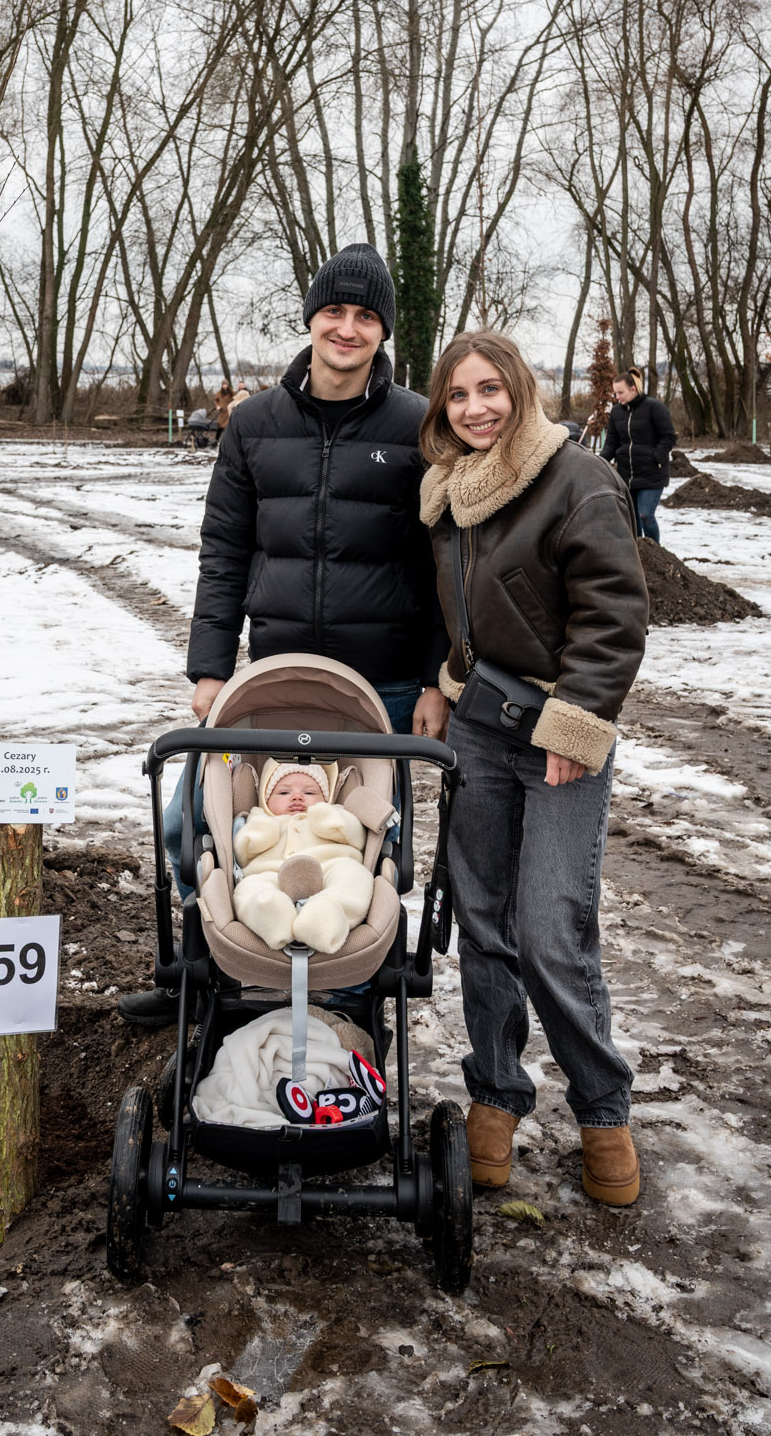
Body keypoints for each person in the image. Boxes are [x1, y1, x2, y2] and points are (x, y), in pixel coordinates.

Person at [119, 241, 448, 1025]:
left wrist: (435, 678)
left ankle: (351, 999)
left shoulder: (414, 427)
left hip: (383, 685)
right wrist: (210, 667)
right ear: (310, 319)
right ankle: (210, 968)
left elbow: (442, 561)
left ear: (383, 331)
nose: (346, 328)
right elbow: (224, 550)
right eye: (333, 311)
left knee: (363, 842)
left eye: (364, 316)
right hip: (275, 678)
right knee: (199, 825)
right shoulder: (254, 423)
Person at [418, 329, 648, 1207]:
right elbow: (456, 611)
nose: (475, 408)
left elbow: (613, 617)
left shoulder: (576, 479)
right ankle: (495, 1097)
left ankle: (601, 1110)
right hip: (478, 729)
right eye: (457, 394)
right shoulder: (446, 491)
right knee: (483, 924)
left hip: (558, 735)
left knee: (551, 930)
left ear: (520, 390)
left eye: (490, 389)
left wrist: (574, 723)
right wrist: (442, 680)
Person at [232, 760, 373, 955]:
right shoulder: (260, 818)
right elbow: (242, 853)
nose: (297, 797)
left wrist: (326, 816)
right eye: (284, 793)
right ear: (265, 799)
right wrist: (264, 830)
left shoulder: (335, 812)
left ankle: (325, 917)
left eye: (310, 793)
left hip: (328, 867)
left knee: (354, 875)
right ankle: (271, 914)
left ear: (326, 798)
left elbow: (357, 837)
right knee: (248, 888)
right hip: (271, 873)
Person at [603, 366, 675, 543]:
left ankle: (654, 551)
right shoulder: (616, 412)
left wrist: (656, 457)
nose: (617, 397)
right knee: (632, 521)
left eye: (620, 392)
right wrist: (598, 461)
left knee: (645, 515)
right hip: (626, 475)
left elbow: (668, 437)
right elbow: (611, 443)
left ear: (633, 389)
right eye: (615, 393)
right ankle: (637, 554)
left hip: (652, 474)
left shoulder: (654, 407)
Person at [213, 379, 234, 445]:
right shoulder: (219, 393)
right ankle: (216, 441)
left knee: (228, 427)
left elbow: (235, 399)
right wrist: (218, 406)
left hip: (229, 412)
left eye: (226, 384)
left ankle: (229, 442)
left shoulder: (232, 392)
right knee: (220, 427)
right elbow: (215, 400)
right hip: (222, 412)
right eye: (223, 385)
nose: (224, 386)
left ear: (228, 385)